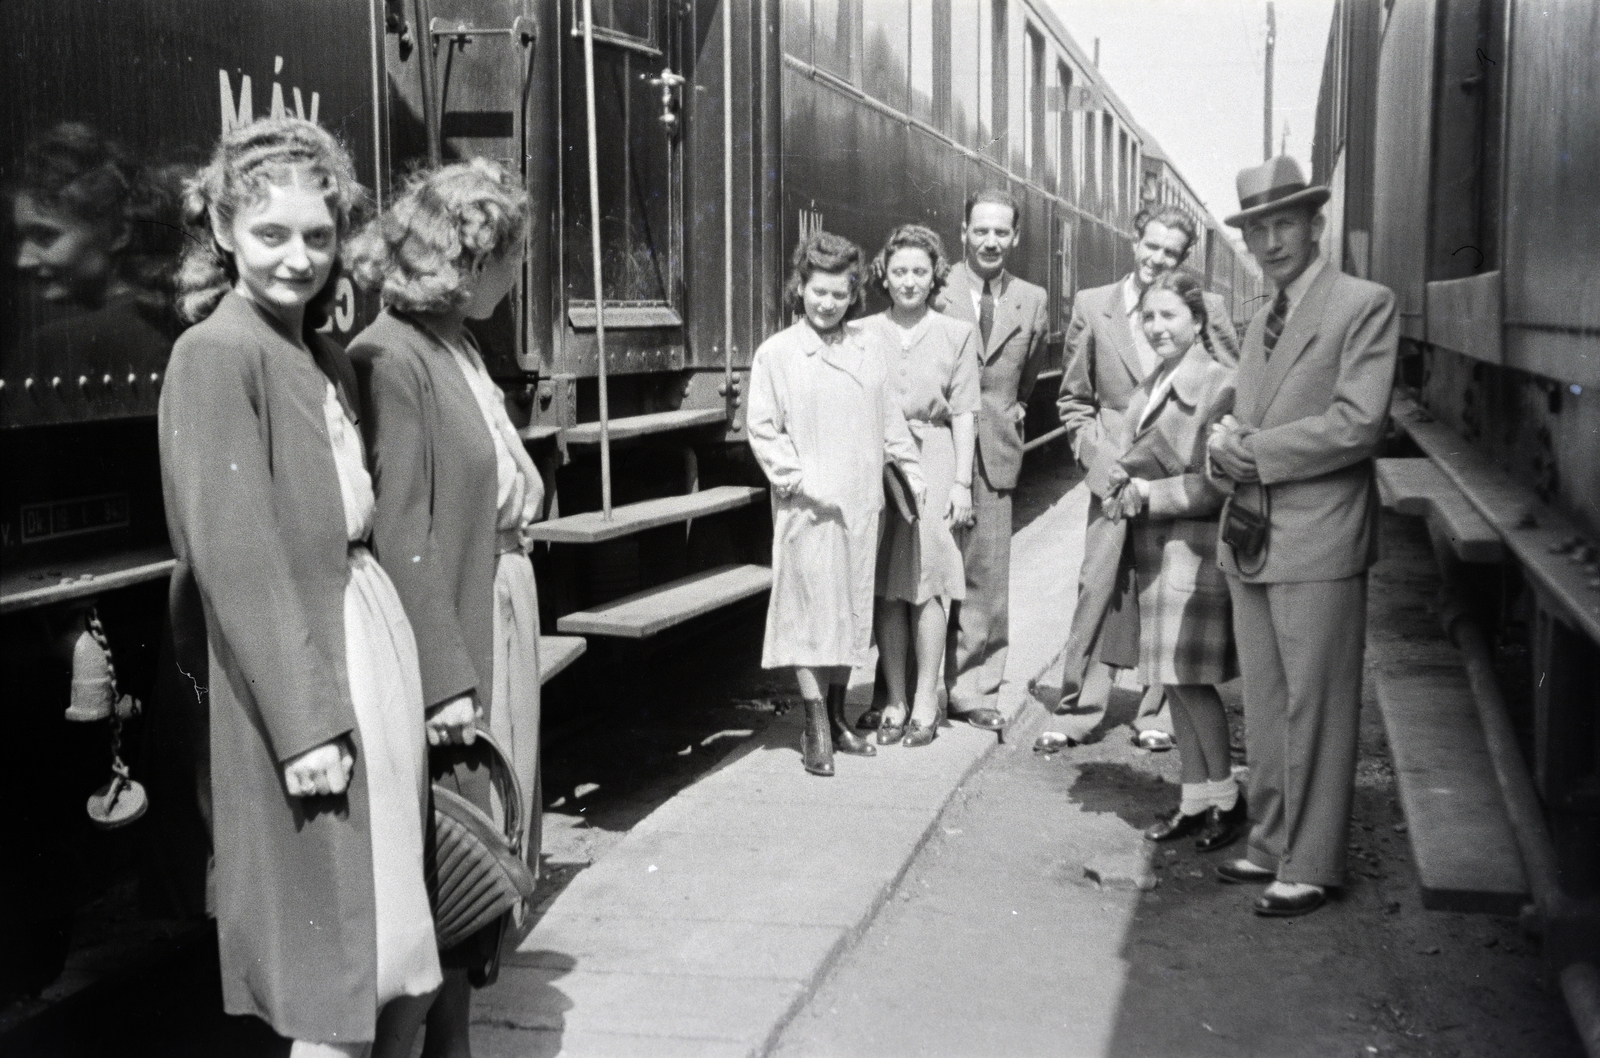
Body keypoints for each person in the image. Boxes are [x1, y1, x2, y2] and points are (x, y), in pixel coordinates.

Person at [158, 117, 440, 1056]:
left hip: (363, 640)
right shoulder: (216, 353)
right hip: (313, 672)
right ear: (227, 231)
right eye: (272, 234)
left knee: (394, 940)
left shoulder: (314, 350)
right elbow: (236, 559)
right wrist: (306, 725)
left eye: (317, 236)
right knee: (338, 959)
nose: (297, 257)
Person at [346, 158, 545, 1057]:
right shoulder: (393, 356)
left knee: (478, 849)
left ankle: (451, 1044)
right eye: (512, 257)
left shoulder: (454, 343)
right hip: (459, 634)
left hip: (494, 606)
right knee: (452, 850)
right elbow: (403, 532)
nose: (518, 273)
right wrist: (446, 679)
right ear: (472, 259)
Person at [1208, 156, 1397, 917]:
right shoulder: (1259, 320)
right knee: (1266, 699)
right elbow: (1252, 417)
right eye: (1257, 228)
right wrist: (1222, 444)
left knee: (1314, 703)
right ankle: (1271, 839)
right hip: (1254, 533)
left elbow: (1358, 424)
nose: (1271, 240)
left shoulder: (1363, 304)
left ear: (1315, 224)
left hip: (1318, 537)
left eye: (1284, 223)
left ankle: (1312, 862)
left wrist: (1248, 450)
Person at [1050, 204, 1241, 751]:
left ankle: (1156, 710)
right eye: (1150, 246)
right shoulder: (1093, 305)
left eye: (1171, 252)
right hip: (1112, 474)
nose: (1158, 258)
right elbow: (1073, 397)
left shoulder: (1210, 307)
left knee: (1167, 586)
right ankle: (1079, 707)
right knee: (1099, 586)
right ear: (1134, 242)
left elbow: (1229, 384)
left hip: (1175, 481)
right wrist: (1094, 456)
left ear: (1185, 258)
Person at [747, 231, 924, 776]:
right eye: (818, 291)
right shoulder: (777, 353)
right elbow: (763, 428)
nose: (827, 303)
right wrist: (796, 480)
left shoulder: (870, 350)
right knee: (806, 614)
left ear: (853, 296)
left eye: (839, 295)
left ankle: (841, 717)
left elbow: (890, 420)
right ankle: (814, 727)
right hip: (809, 505)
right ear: (800, 288)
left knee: (850, 611)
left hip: (861, 502)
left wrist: (912, 475)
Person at [1085, 272, 1245, 852]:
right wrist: (1116, 481)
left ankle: (1226, 797)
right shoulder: (1154, 381)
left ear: (1198, 320)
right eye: (1148, 318)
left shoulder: (1220, 386)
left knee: (1194, 683)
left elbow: (1215, 484)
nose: (1156, 328)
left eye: (1169, 316)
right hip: (1157, 549)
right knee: (1172, 683)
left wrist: (1146, 494)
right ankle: (1195, 798)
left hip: (1193, 552)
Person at [935, 189, 1050, 732]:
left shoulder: (1032, 299)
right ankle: (906, 691)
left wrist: (1011, 409)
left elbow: (1028, 374)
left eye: (1001, 232)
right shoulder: (938, 290)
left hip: (996, 449)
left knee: (987, 576)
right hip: (938, 447)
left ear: (1016, 237)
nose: (990, 241)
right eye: (980, 230)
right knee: (924, 570)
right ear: (963, 231)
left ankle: (973, 689)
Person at [862, 225, 981, 747]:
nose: (909, 281)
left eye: (919, 271)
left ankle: (927, 700)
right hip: (876, 460)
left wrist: (960, 483)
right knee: (886, 585)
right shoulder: (863, 332)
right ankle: (894, 699)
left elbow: (964, 411)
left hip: (932, 457)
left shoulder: (956, 333)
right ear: (883, 276)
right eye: (899, 271)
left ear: (935, 275)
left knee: (929, 579)